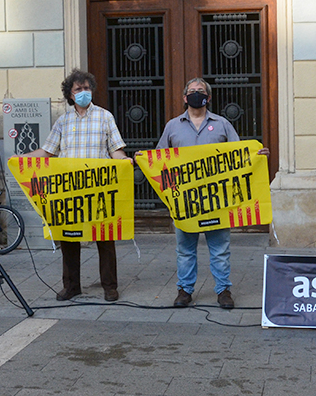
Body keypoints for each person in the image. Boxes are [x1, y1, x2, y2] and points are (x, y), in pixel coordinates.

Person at [154, 78, 269, 309]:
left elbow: (238, 155)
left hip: (217, 200)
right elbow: (159, 158)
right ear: (185, 98)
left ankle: (223, 290)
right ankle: (184, 290)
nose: (197, 94)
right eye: (193, 91)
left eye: (201, 91)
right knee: (185, 250)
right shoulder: (172, 126)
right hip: (186, 202)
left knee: (220, 249)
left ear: (209, 97)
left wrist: (256, 155)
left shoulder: (222, 124)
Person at [24, 69, 131, 302]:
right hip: (70, 190)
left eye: (86, 88)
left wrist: (124, 160)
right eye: (78, 89)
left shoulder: (105, 117)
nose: (84, 93)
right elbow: (48, 151)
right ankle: (71, 286)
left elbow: (115, 150)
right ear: (70, 95)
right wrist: (23, 159)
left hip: (98, 188)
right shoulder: (63, 121)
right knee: (69, 238)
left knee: (105, 237)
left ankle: (110, 286)